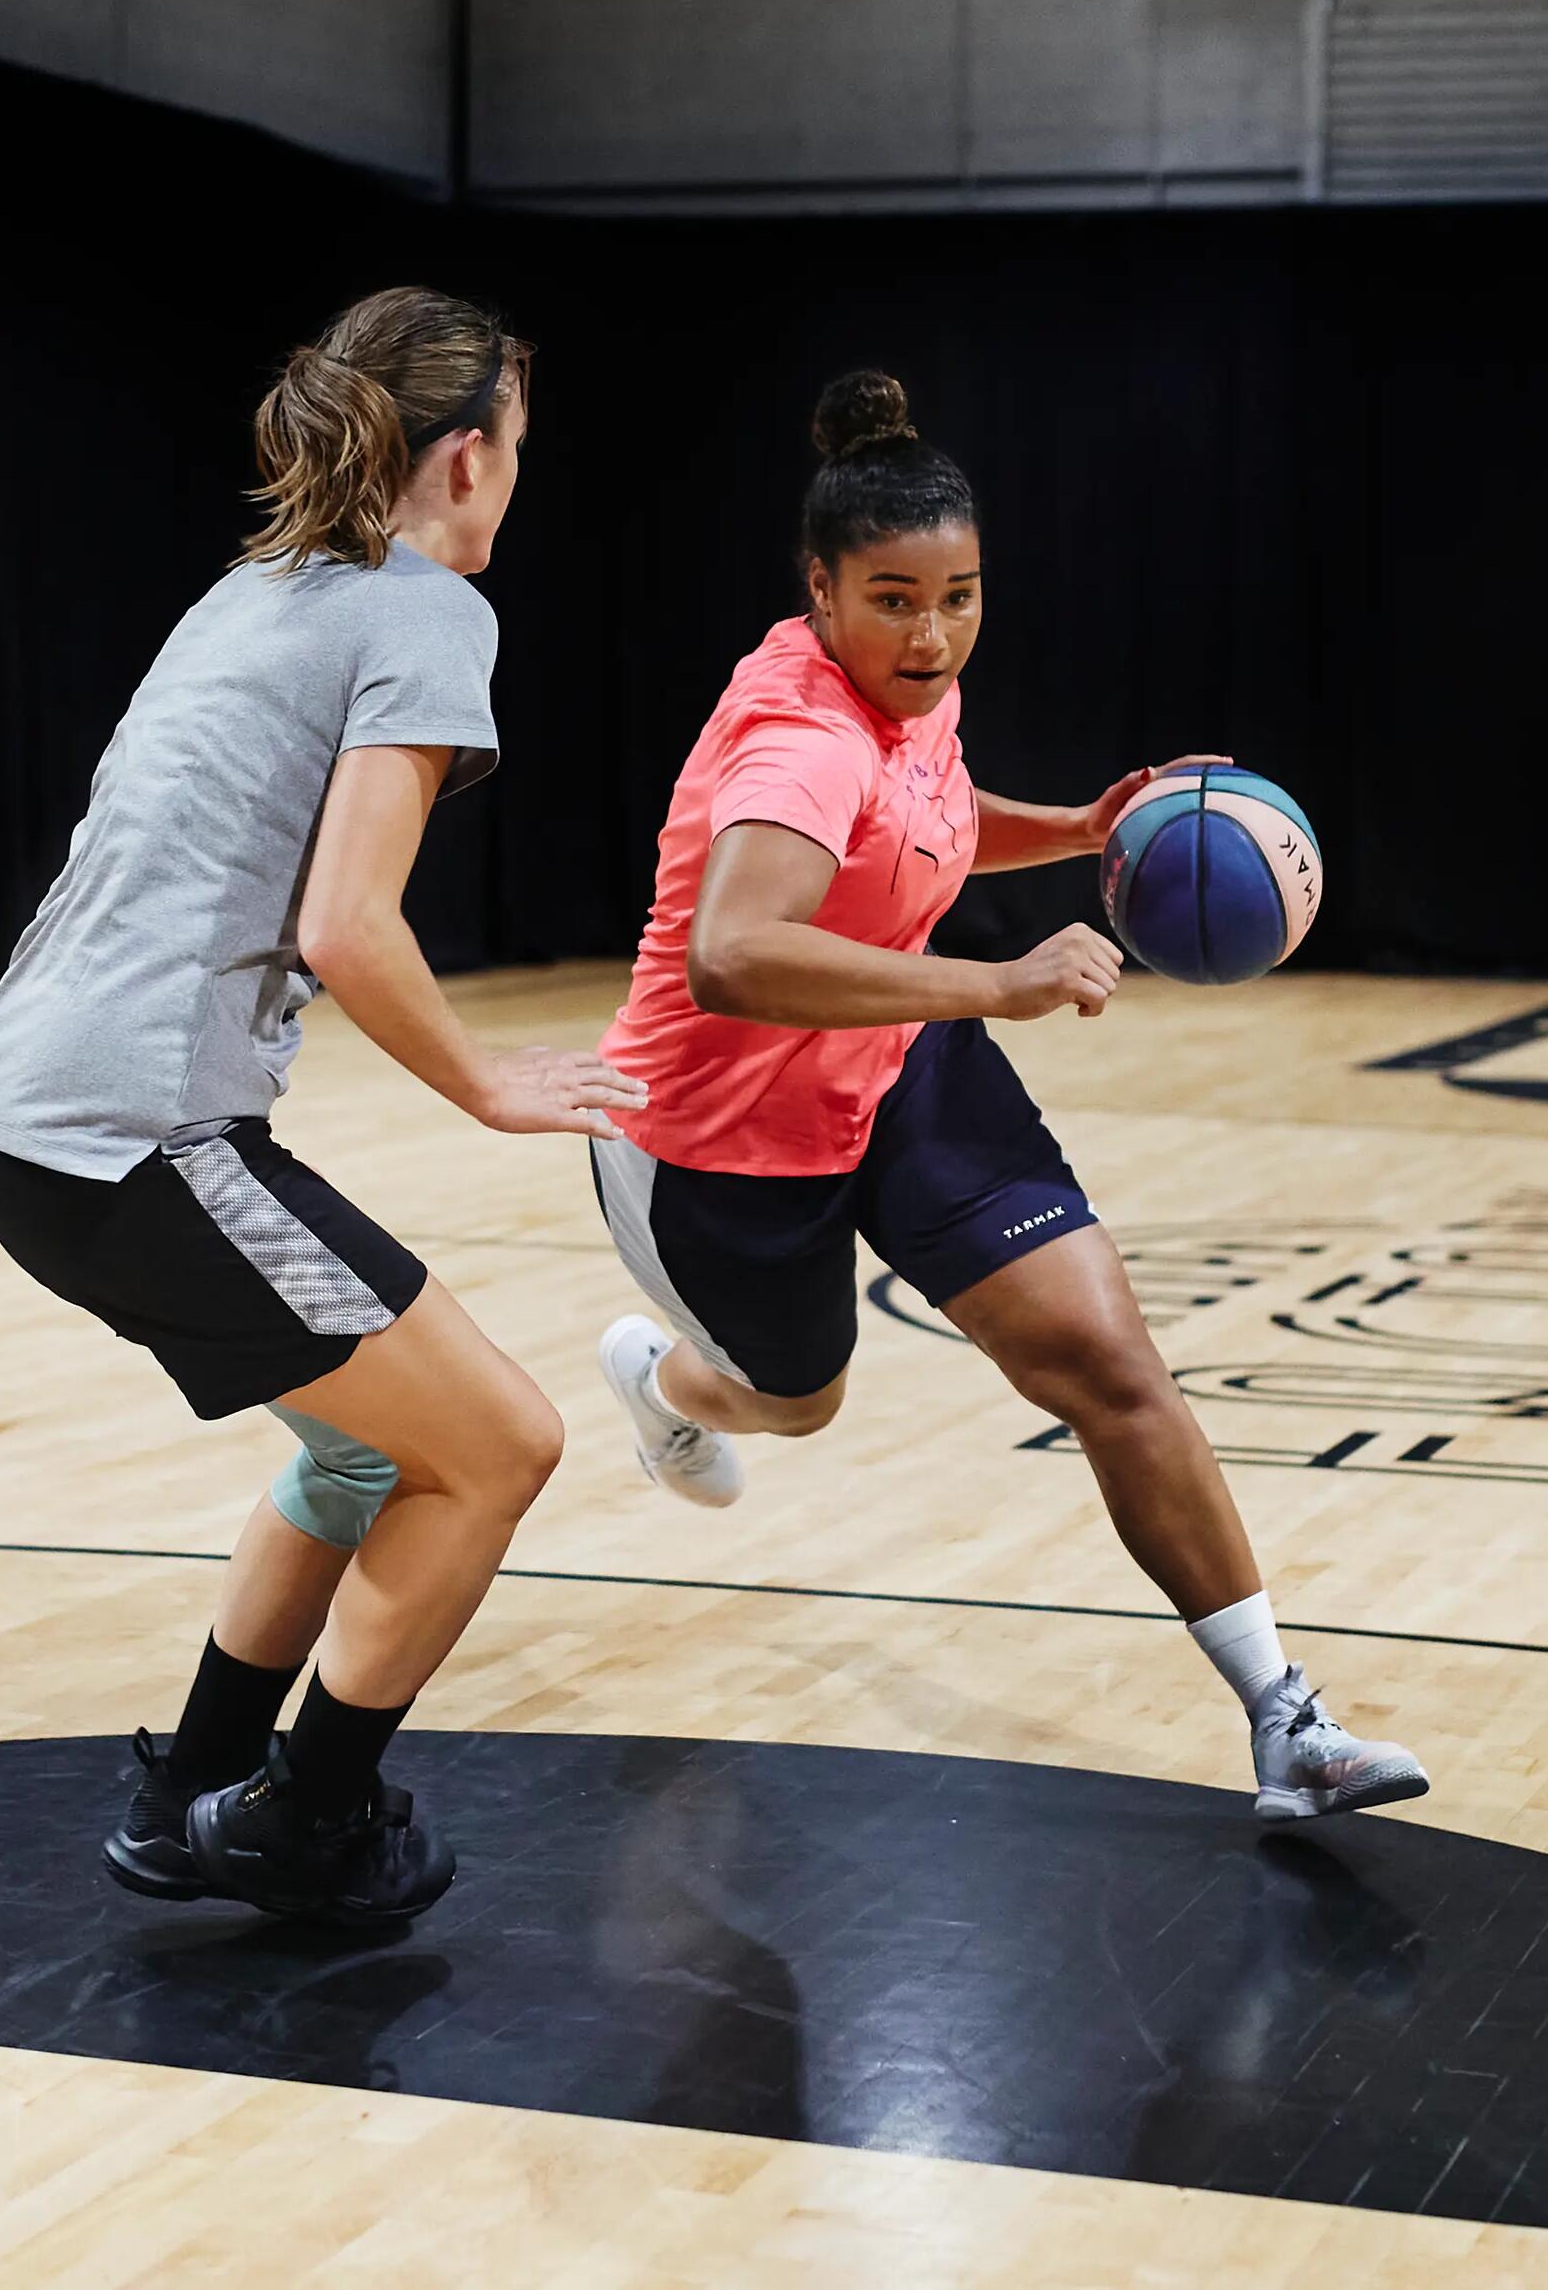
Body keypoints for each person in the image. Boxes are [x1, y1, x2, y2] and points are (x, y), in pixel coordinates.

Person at [592, 367, 1426, 1823]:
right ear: (821, 591)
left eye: (960, 596)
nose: (933, 633)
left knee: (1111, 1362)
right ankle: (662, 1383)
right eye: (897, 599)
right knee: (799, 1400)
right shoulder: (799, 733)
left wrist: (1080, 831)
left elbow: (933, 823)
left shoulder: (911, 696)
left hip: (902, 1069)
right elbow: (733, 954)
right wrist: (997, 984)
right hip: (721, 1143)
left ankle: (1288, 1719)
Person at [0, 286, 646, 1921]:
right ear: (467, 460)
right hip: (132, 1137)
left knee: (360, 1448)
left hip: (24, 1114)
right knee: (499, 1449)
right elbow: (348, 922)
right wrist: (487, 1082)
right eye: (519, 449)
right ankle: (303, 1817)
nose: (517, 478)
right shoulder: (425, 614)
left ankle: (189, 1781)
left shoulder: (256, 586)